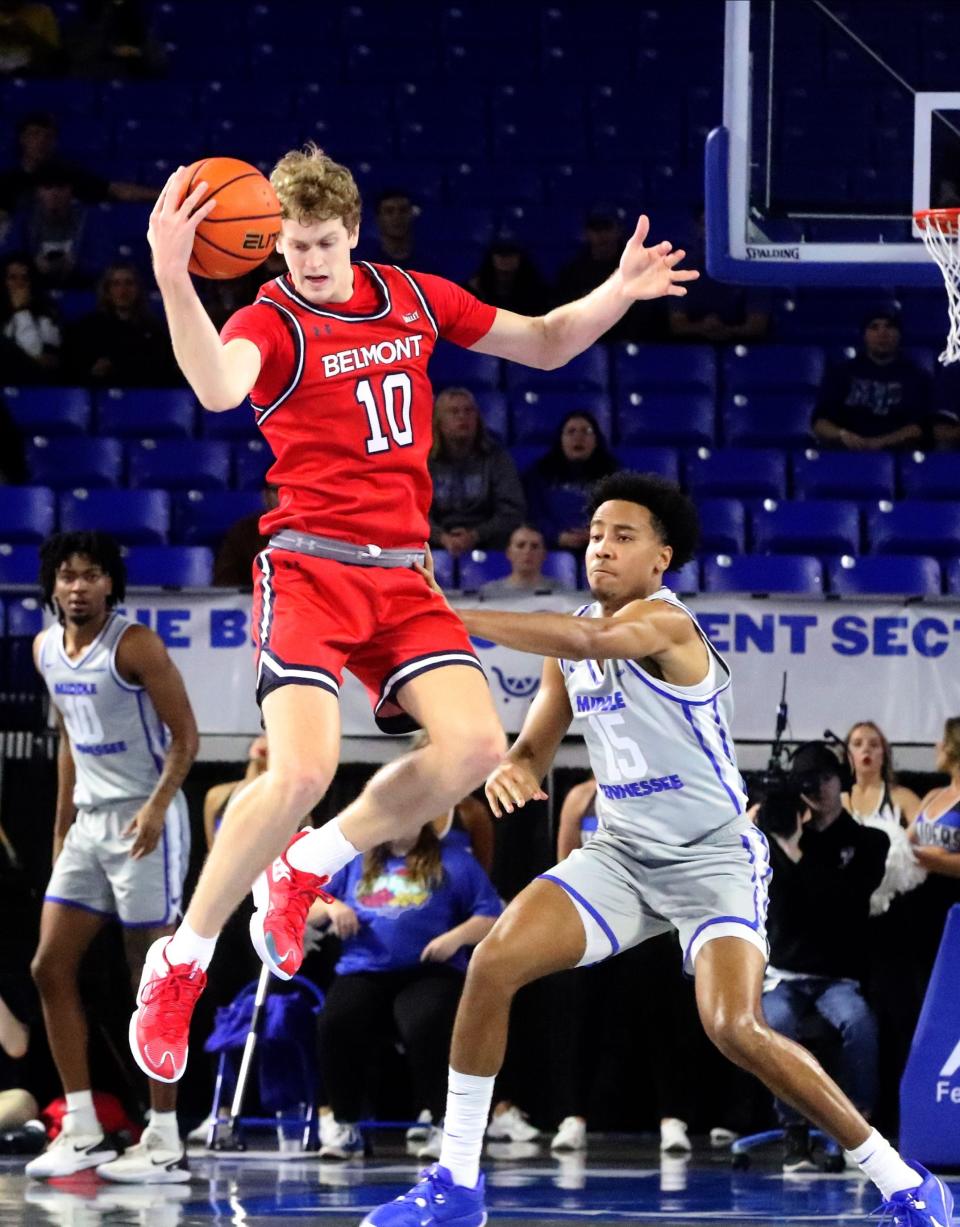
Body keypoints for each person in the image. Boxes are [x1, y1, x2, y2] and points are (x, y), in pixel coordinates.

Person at [127, 144, 697, 1095]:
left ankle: (306, 863)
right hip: (308, 566)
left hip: (400, 573)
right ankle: (180, 963)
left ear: (352, 231)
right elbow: (218, 388)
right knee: (301, 766)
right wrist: (172, 277)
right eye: (290, 246)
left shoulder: (413, 296)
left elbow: (549, 338)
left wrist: (619, 291)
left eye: (320, 242)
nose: (305, 259)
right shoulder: (273, 317)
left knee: (477, 748)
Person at [364, 471, 953, 1227]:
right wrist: (515, 766)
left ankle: (905, 1181)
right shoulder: (571, 646)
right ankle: (456, 1182)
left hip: (712, 858)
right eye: (597, 534)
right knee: (492, 963)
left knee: (733, 1025)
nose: (602, 547)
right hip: (621, 854)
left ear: (661, 559)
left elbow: (592, 637)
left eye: (624, 536)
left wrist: (443, 609)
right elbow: (537, 743)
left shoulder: (666, 625)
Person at [26, 531, 198, 1182]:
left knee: (152, 977)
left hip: (144, 819)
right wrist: (60, 826)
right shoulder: (46, 648)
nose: (77, 586)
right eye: (67, 575)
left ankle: (164, 1137)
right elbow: (69, 737)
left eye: (90, 575)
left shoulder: (135, 645)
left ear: (109, 583)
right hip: (89, 827)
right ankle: (82, 1126)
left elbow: (187, 736)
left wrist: (156, 805)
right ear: (53, 583)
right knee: (48, 965)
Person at [309, 819, 502, 1161]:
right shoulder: (356, 860)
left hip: (427, 970)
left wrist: (454, 938)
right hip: (365, 969)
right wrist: (332, 906)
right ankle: (346, 1125)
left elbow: (490, 915)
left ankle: (445, 1125)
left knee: (426, 1022)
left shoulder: (453, 859)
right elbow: (309, 908)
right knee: (335, 1022)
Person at [758, 746, 888, 1172]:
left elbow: (843, 906)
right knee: (774, 1026)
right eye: (807, 782)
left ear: (841, 781)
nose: (818, 791)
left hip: (838, 977)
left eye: (825, 779)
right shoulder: (779, 835)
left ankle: (858, 1130)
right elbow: (782, 909)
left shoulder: (869, 842)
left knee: (860, 1025)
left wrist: (797, 855)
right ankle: (794, 1131)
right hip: (785, 974)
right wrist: (776, 839)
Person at [812, 308, 934, 451]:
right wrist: (843, 435)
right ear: (864, 335)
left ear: (899, 335)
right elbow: (820, 423)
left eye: (889, 326)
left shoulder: (917, 376)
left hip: (899, 454)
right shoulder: (841, 373)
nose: (882, 333)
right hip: (847, 453)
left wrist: (881, 442)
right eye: (874, 327)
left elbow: (921, 427)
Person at [0, 111, 155, 219]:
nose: (41, 142)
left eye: (47, 136)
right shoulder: (7, 181)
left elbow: (115, 190)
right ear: (22, 139)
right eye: (34, 134)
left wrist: (166, 196)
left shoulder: (68, 176)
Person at [428, 386, 526, 556]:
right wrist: (441, 537)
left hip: (490, 545)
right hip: (434, 546)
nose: (462, 416)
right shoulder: (425, 460)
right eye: (454, 411)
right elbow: (413, 511)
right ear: (439, 422)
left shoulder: (496, 457)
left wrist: (475, 535)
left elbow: (512, 511)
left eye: (468, 411)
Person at [843, 721, 924, 916]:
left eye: (874, 744)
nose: (866, 750)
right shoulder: (834, 800)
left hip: (894, 906)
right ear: (847, 755)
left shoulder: (902, 797)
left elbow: (926, 840)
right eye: (857, 743)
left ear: (884, 754)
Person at [555, 209, 669, 343]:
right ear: (586, 233)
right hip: (585, 345)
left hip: (632, 343)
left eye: (607, 227)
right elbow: (564, 318)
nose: (602, 235)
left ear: (619, 230)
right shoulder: (572, 273)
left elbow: (648, 317)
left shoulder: (638, 269)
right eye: (596, 229)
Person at [65, 261, 177, 385]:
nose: (123, 290)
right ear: (107, 291)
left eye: (129, 283)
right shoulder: (89, 328)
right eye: (116, 284)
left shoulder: (155, 329)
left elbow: (163, 371)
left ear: (138, 289)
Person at [667, 207, 769, 343]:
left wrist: (727, 330)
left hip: (745, 346)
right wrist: (702, 327)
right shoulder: (681, 267)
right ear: (697, 228)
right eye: (706, 224)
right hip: (692, 346)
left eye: (720, 224)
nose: (712, 230)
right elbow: (677, 324)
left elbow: (757, 325)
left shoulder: (751, 268)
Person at [907, 718, 960, 974]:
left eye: (942, 740)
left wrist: (927, 857)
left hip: (953, 909)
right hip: (920, 910)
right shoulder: (933, 795)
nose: (936, 745)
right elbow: (904, 844)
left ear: (953, 746)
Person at [522, 411, 619, 550]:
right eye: (571, 431)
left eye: (586, 431)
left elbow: (623, 514)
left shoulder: (614, 476)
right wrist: (556, 536)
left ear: (596, 439)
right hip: (549, 549)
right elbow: (532, 514)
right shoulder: (539, 474)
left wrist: (599, 534)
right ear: (560, 439)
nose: (578, 437)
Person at [0, 254, 61, 382]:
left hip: (33, 380)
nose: (19, 283)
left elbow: (38, 356)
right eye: (12, 278)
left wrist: (21, 311)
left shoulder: (46, 312)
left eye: (25, 278)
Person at [478, 524, 571, 599]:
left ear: (544, 554)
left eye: (534, 546)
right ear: (509, 553)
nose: (527, 551)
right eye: (520, 545)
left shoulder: (561, 593)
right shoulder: (488, 594)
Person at [213, 484, 279, 589]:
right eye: (277, 491)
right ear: (265, 496)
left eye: (291, 491)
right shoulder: (243, 532)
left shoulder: (309, 530)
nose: (285, 497)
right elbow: (225, 582)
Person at [467, 236, 550, 317]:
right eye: (500, 253)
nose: (506, 258)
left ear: (520, 257)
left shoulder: (536, 289)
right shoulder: (475, 288)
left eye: (511, 253)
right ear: (491, 257)